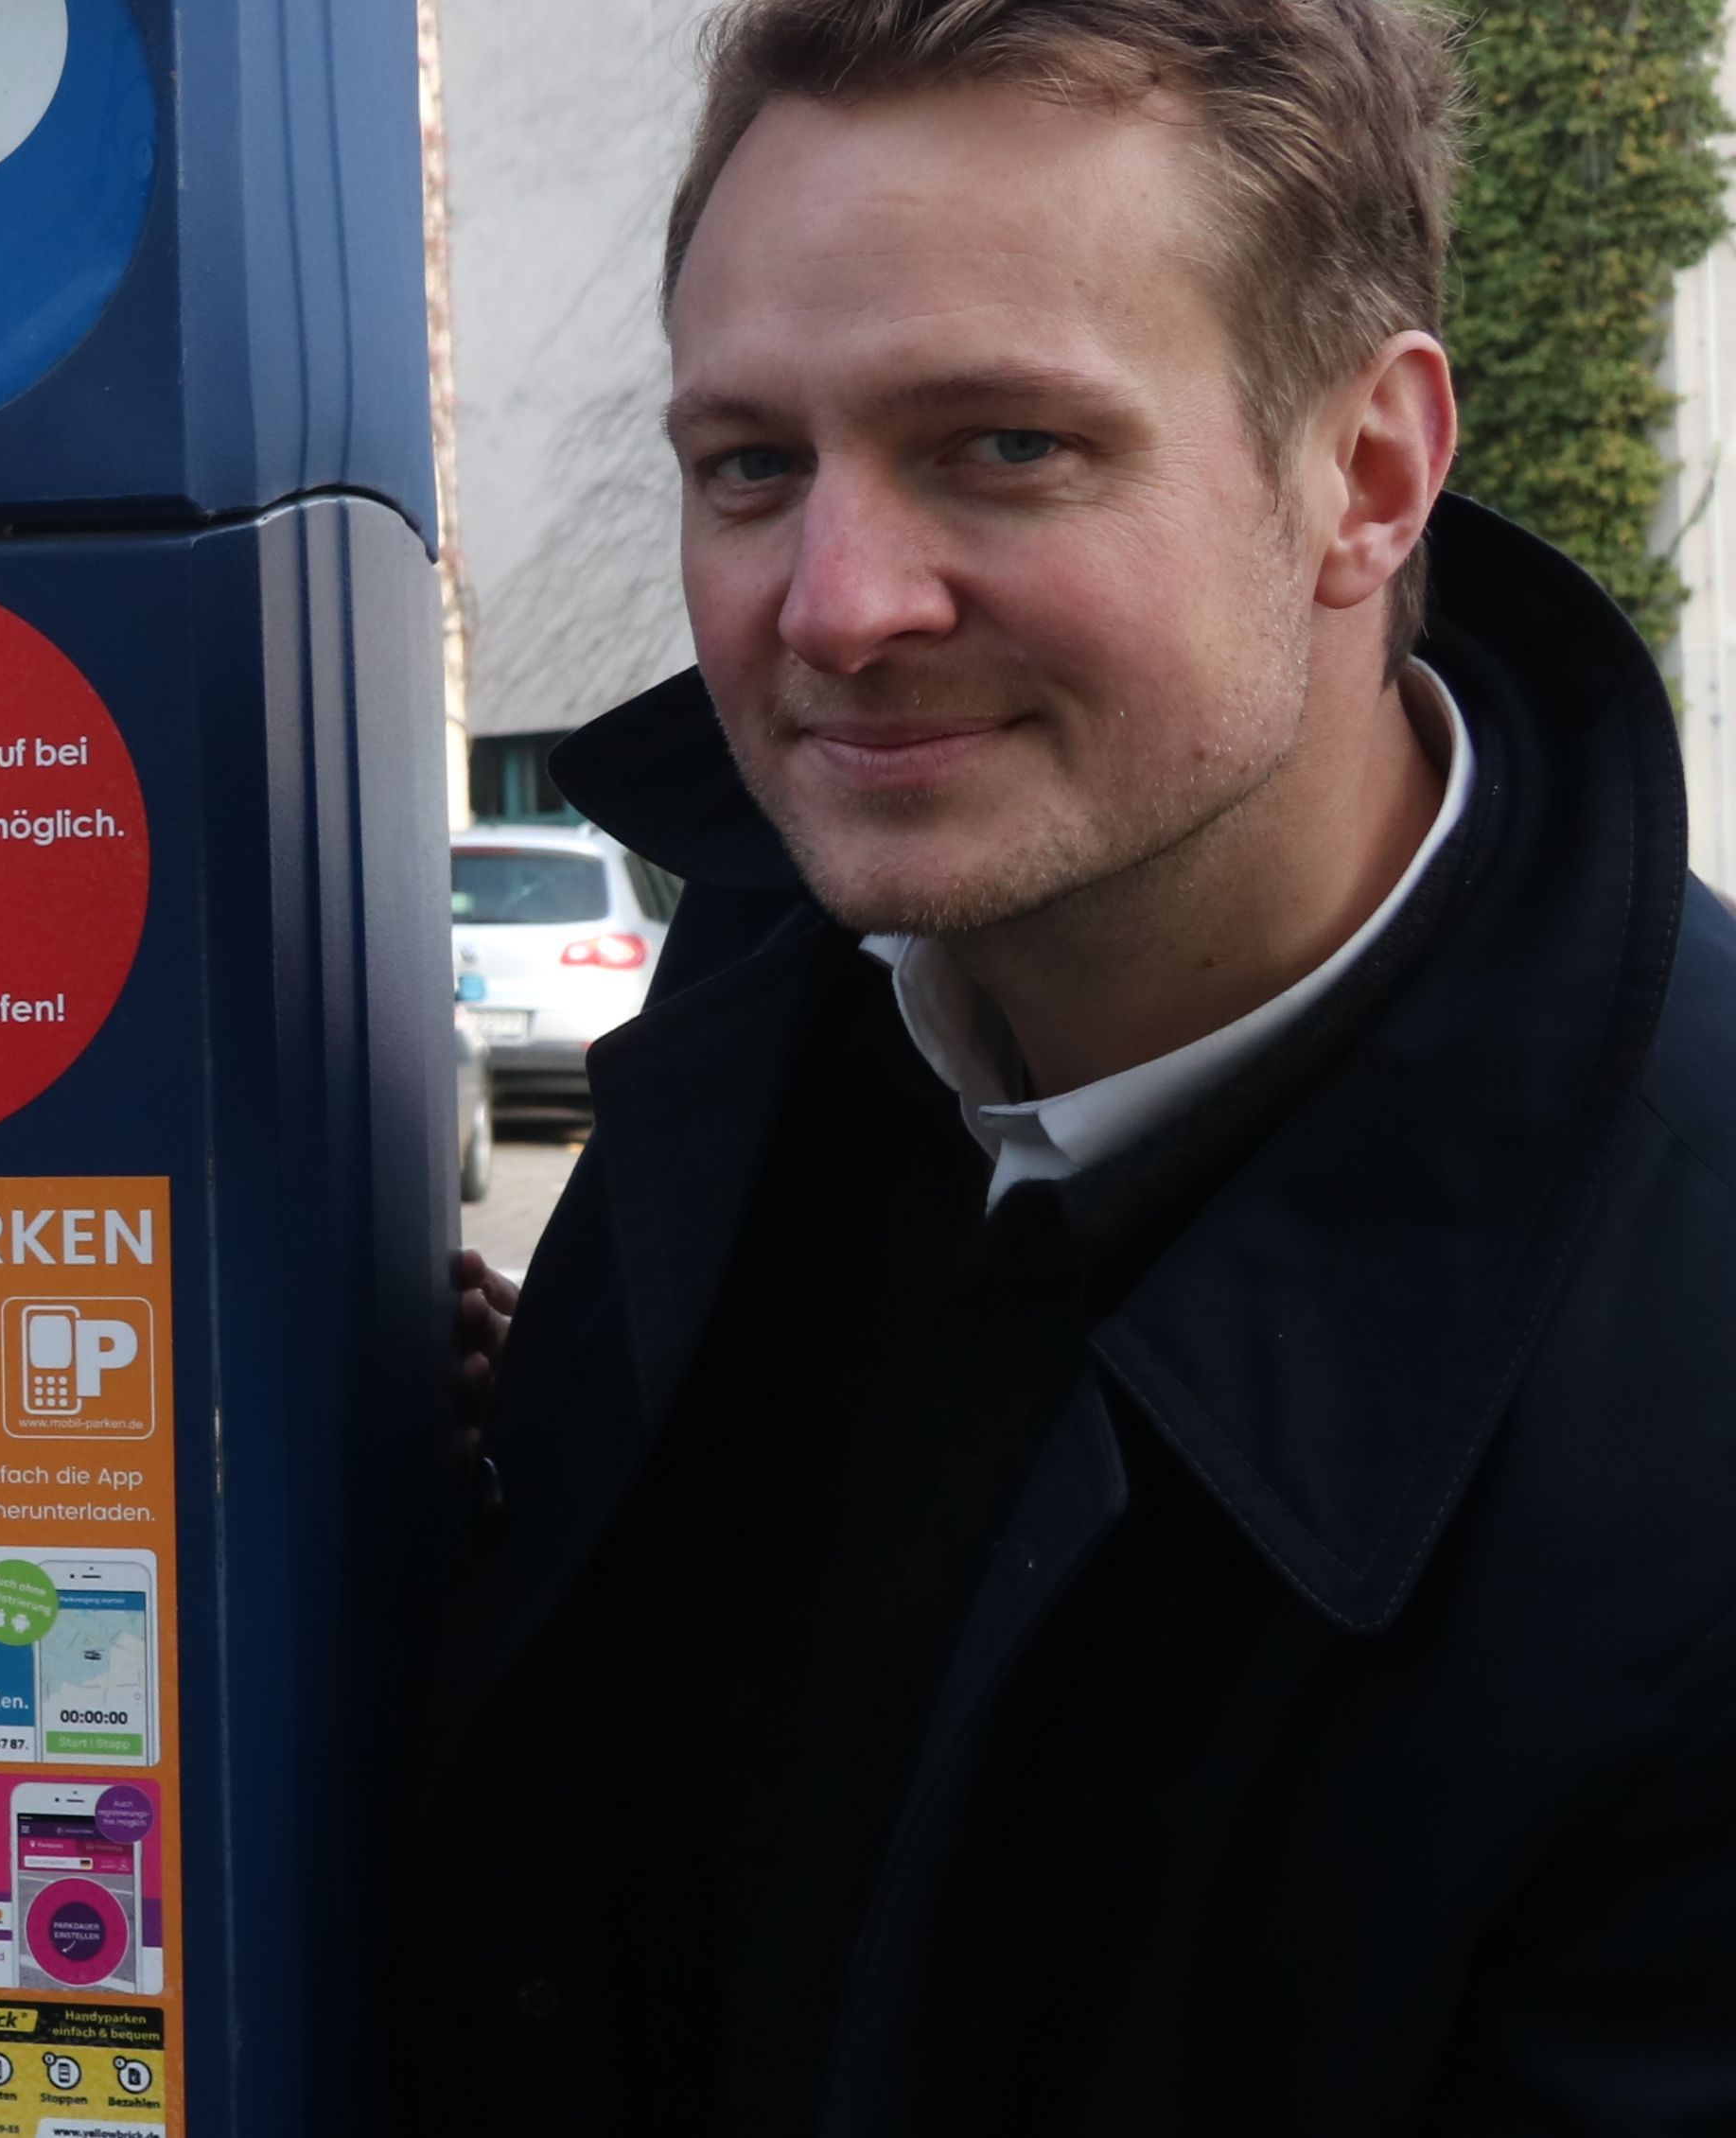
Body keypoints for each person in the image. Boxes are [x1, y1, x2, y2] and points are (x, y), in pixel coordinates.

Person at [405, 0, 1736, 2126]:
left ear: (1368, 474)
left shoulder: (1678, 1412)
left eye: (1005, 443)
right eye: (751, 460)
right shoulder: (771, 1011)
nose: (834, 603)